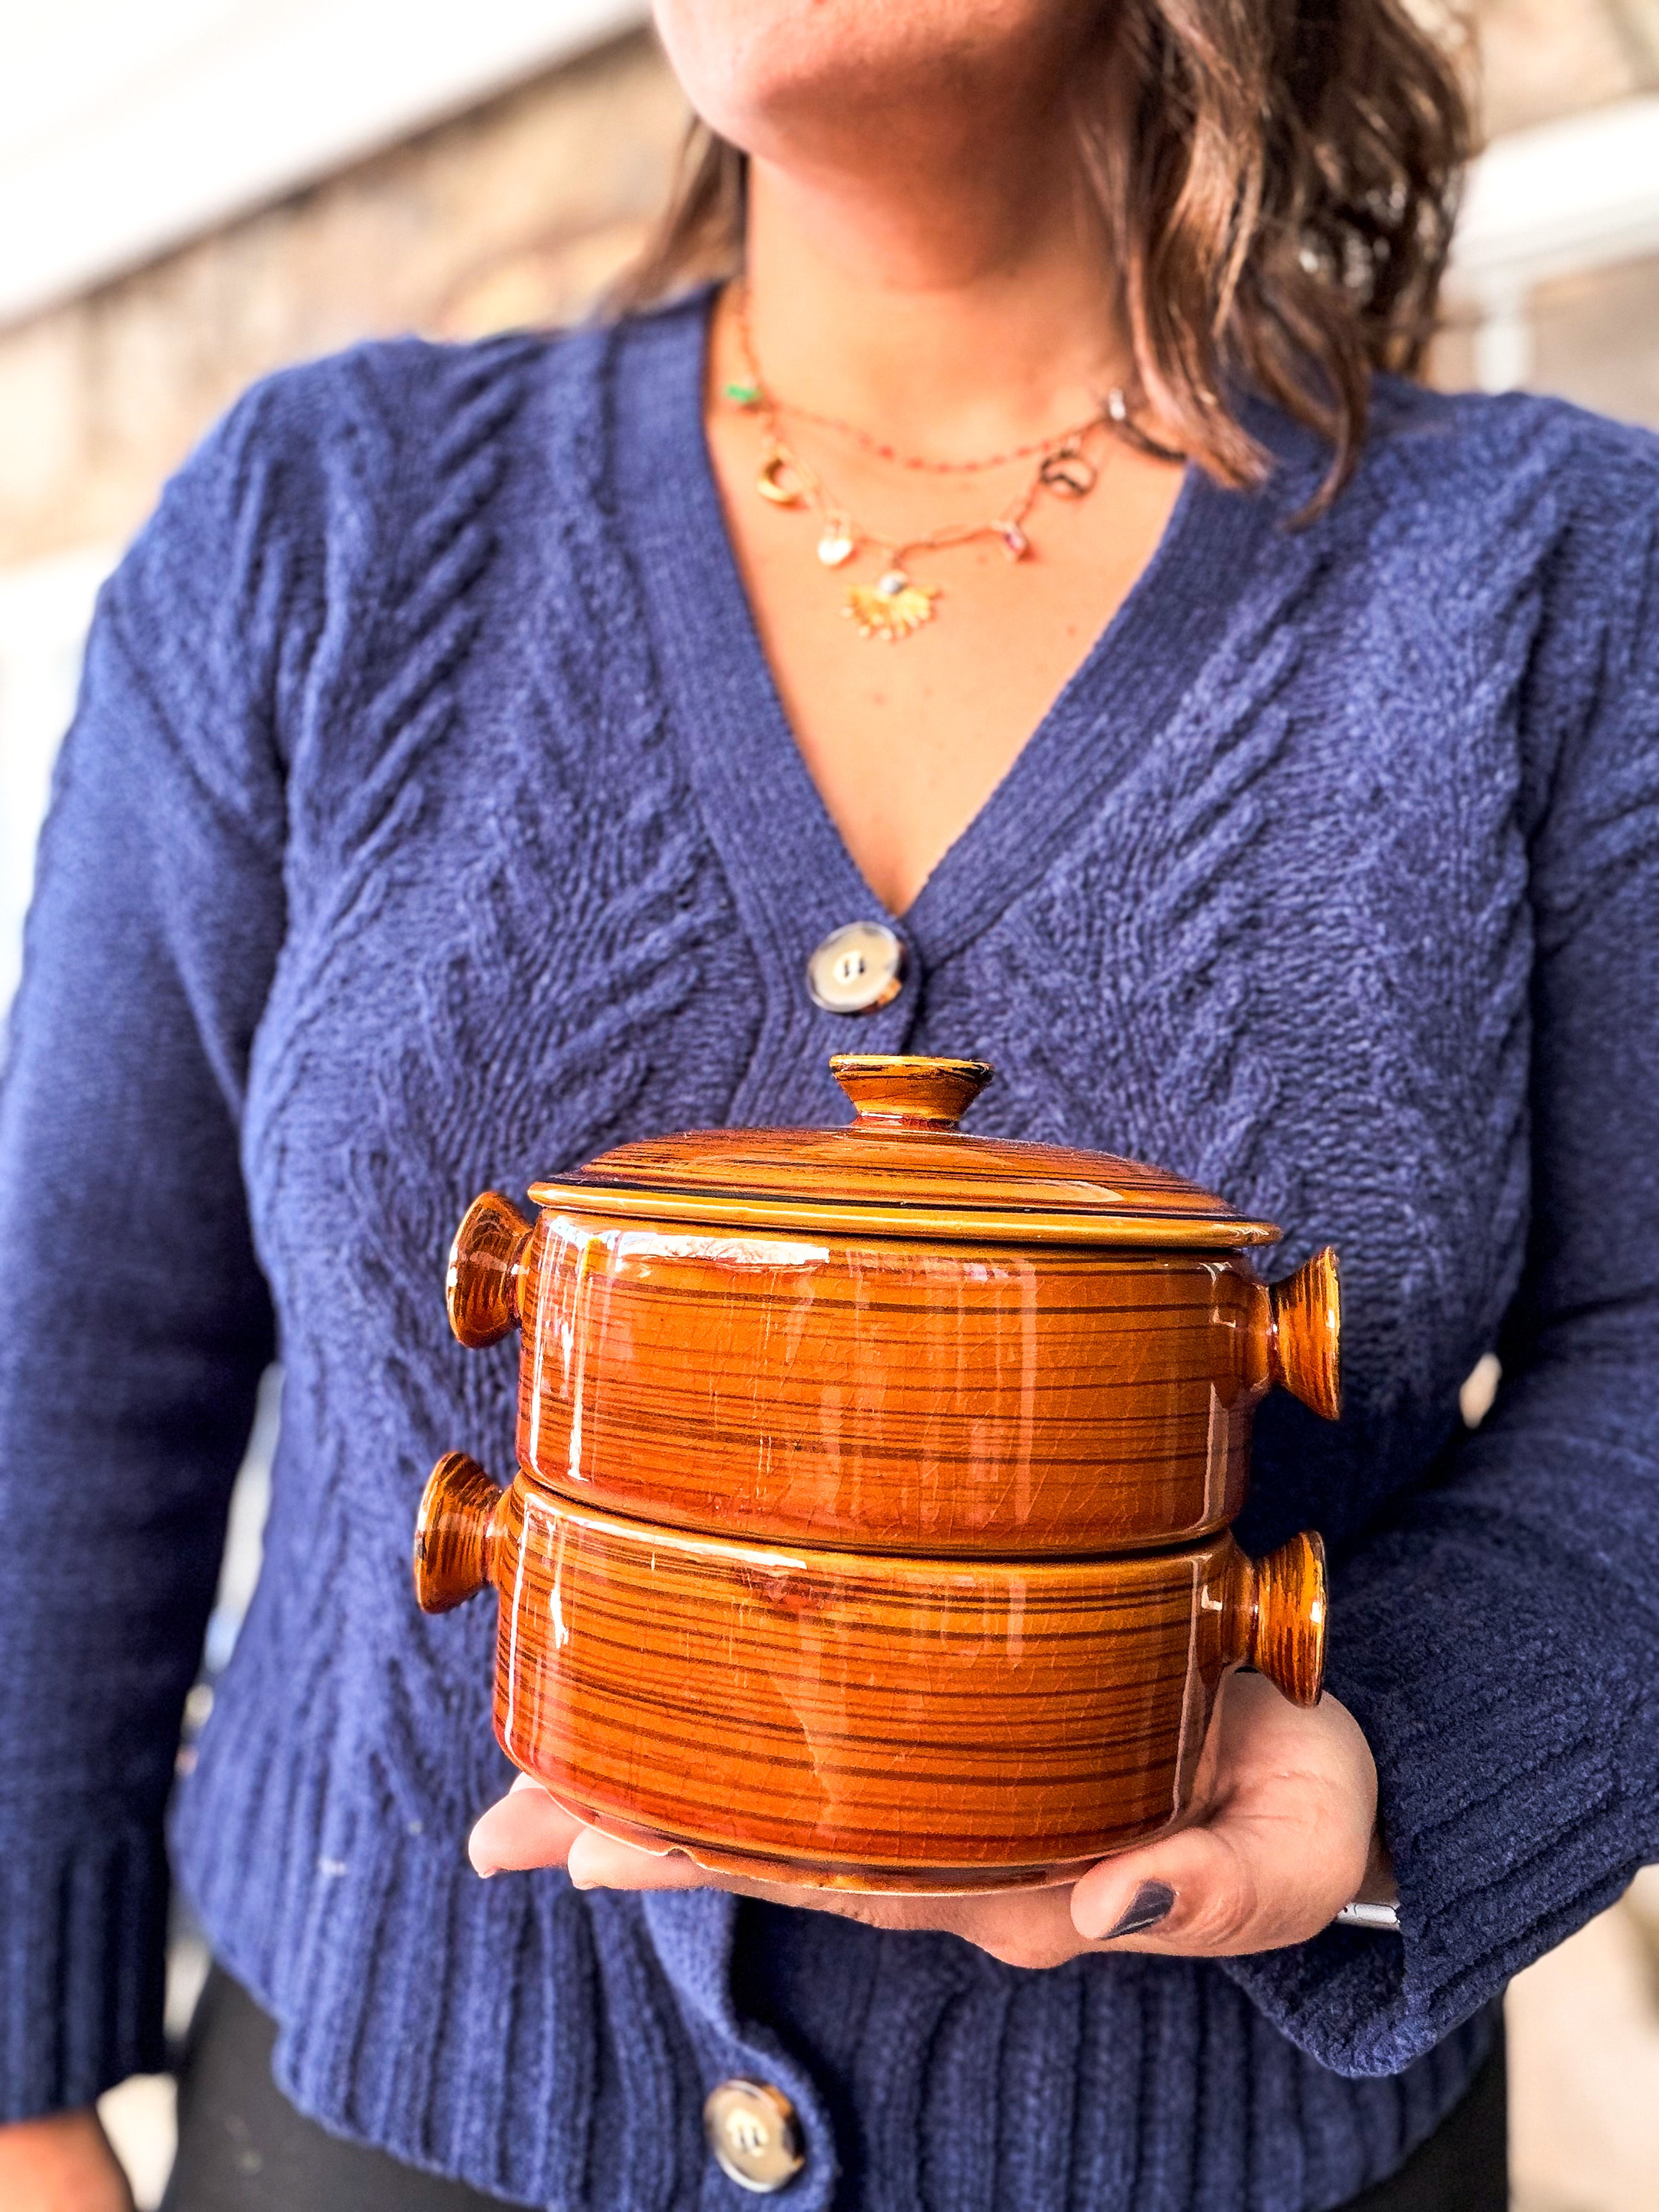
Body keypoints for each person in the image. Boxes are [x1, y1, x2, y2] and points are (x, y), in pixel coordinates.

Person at [2, 0, 1656, 2205]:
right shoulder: (319, 532)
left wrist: (1399, 1756)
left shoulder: (1555, 587)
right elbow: (71, 1345)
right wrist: (25, 2109)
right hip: (364, 2128)